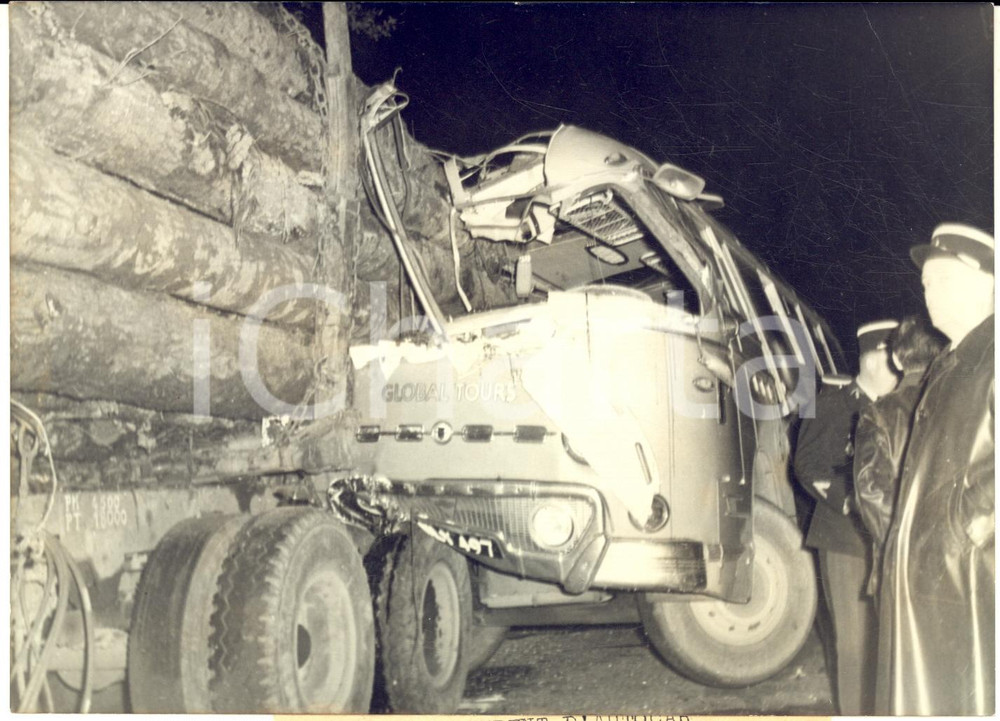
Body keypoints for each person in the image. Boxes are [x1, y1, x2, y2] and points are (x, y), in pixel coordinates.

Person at [876, 223, 995, 716]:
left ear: (978, 280)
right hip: (937, 577)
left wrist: (964, 520)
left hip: (968, 575)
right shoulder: (954, 360)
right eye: (924, 285)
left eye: (937, 282)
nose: (927, 296)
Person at [793, 319, 899, 716]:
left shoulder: (894, 408)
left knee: (884, 641)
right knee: (853, 644)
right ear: (874, 358)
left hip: (884, 540)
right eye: (893, 358)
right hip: (845, 539)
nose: (900, 367)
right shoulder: (835, 403)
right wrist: (853, 505)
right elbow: (808, 464)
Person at [853, 315, 945, 598]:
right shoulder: (955, 400)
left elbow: (869, 489)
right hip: (953, 563)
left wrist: (902, 542)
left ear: (895, 357)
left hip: (900, 564)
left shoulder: (879, 413)